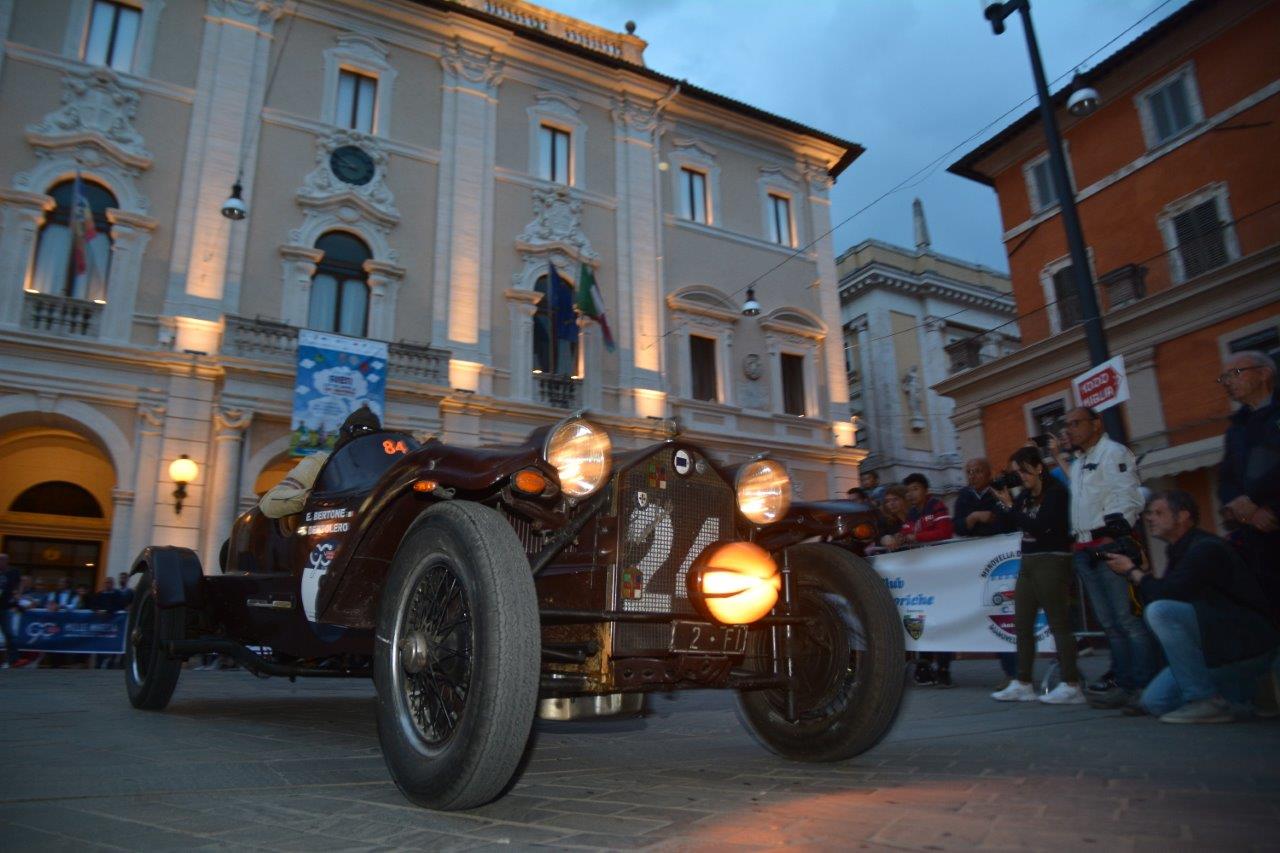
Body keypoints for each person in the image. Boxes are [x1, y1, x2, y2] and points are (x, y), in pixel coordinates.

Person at [1104, 491, 1279, 722]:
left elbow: (1166, 596)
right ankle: (1246, 693)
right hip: (1213, 647)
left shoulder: (1205, 548)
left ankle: (1206, 700)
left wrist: (1132, 571)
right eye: (1149, 514)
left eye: (1158, 513)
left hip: (1244, 645)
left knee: (1161, 612)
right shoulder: (1179, 550)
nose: (1150, 518)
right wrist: (1142, 572)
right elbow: (1165, 594)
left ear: (1183, 516)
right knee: (1154, 702)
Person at [1064, 406, 1157, 710]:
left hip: (1109, 544)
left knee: (1127, 620)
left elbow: (1127, 496)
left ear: (1096, 424)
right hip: (1083, 547)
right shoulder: (1078, 462)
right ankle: (1124, 683)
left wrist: (1113, 536)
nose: (1070, 430)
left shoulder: (1114, 452)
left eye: (1076, 423)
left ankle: (1145, 686)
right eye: (1067, 425)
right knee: (1109, 623)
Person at [989, 447, 1084, 704]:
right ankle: (1023, 682)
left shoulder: (1056, 493)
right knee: (1022, 623)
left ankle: (1071, 683)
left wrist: (1012, 507)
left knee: (1058, 623)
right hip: (1029, 561)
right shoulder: (1024, 496)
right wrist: (1003, 502)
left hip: (1052, 559)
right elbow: (1008, 525)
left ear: (1039, 467)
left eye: (1024, 471)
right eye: (1016, 473)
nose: (1021, 477)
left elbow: (1042, 527)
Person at [1216, 350, 1279, 613]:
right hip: (1258, 541)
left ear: (1264, 373)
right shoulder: (1236, 429)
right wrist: (1244, 511)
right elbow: (1226, 479)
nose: (1228, 382)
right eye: (1224, 378)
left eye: (1235, 373)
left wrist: (1268, 507)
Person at [954, 457, 1017, 687]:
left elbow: (1008, 521)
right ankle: (1009, 670)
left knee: (1006, 614)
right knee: (990, 614)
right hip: (977, 563)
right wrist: (973, 518)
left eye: (978, 471)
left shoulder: (998, 491)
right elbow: (958, 526)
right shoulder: (963, 496)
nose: (973, 475)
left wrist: (988, 519)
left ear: (988, 473)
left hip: (1002, 561)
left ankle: (1015, 671)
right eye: (969, 471)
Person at [260, 406, 381, 519]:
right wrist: (310, 498)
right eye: (359, 433)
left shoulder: (381, 473)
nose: (363, 444)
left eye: (370, 437)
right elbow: (270, 503)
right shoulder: (321, 463)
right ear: (346, 435)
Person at [903, 473, 956, 686]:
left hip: (939, 573)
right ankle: (924, 667)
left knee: (942, 619)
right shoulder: (911, 513)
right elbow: (905, 534)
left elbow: (945, 531)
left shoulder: (937, 506)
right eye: (908, 490)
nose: (911, 494)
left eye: (915, 489)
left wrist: (917, 537)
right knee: (921, 619)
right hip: (919, 576)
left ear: (926, 490)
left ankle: (943, 668)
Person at [876, 485, 911, 552]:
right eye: (887, 501)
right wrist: (884, 539)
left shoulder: (915, 515)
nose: (891, 503)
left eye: (895, 499)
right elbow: (878, 538)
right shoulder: (884, 521)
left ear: (905, 499)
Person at [0, 554, 19, 668]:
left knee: (8, 633)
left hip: (5, 607)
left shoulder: (13, 572)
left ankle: (13, 659)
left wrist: (17, 596)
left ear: (7, 561)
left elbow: (17, 585)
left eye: (2, 560)